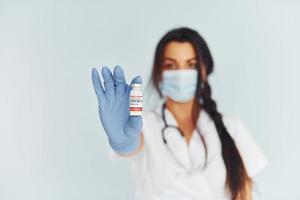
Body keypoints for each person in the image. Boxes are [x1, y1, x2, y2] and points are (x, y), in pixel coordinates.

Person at [91, 27, 267, 200]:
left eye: (191, 65)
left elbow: (244, 195)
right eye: (170, 65)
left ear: (204, 71)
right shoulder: (143, 124)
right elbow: (133, 145)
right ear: (158, 72)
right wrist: (123, 141)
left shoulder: (231, 128)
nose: (181, 73)